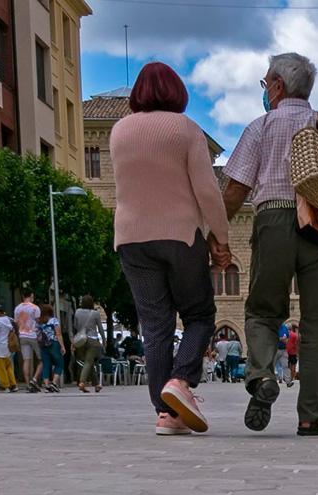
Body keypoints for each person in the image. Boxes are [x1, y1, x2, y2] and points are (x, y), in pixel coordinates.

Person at [223, 52, 318, 436]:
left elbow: (236, 189)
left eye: (264, 85)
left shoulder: (260, 128)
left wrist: (215, 234)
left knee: (262, 310)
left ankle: (261, 377)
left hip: (273, 220)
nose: (264, 92)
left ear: (276, 86)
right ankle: (313, 416)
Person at [110, 61, 229, 435]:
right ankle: (180, 382)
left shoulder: (118, 132)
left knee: (156, 326)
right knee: (199, 315)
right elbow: (207, 190)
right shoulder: (186, 130)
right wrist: (221, 240)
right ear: (178, 92)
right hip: (179, 235)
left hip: (131, 238)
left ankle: (166, 415)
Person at [72, 293, 105, 393]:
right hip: (92, 340)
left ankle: (96, 384)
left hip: (81, 340)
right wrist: (104, 340)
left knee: (88, 362)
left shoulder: (77, 312)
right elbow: (100, 329)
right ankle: (82, 382)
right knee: (88, 361)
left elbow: (75, 326)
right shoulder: (95, 314)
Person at [13, 290, 42, 391]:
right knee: (41, 359)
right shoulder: (35, 308)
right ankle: (34, 379)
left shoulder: (17, 308)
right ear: (31, 296)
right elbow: (38, 322)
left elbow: (16, 322)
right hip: (33, 335)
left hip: (22, 335)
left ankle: (27, 383)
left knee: (26, 360)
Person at [36, 304, 64, 392]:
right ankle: (54, 383)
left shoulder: (40, 323)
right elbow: (58, 334)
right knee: (59, 363)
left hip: (43, 345)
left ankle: (47, 385)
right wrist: (62, 346)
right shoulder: (54, 320)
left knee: (46, 364)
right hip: (53, 343)